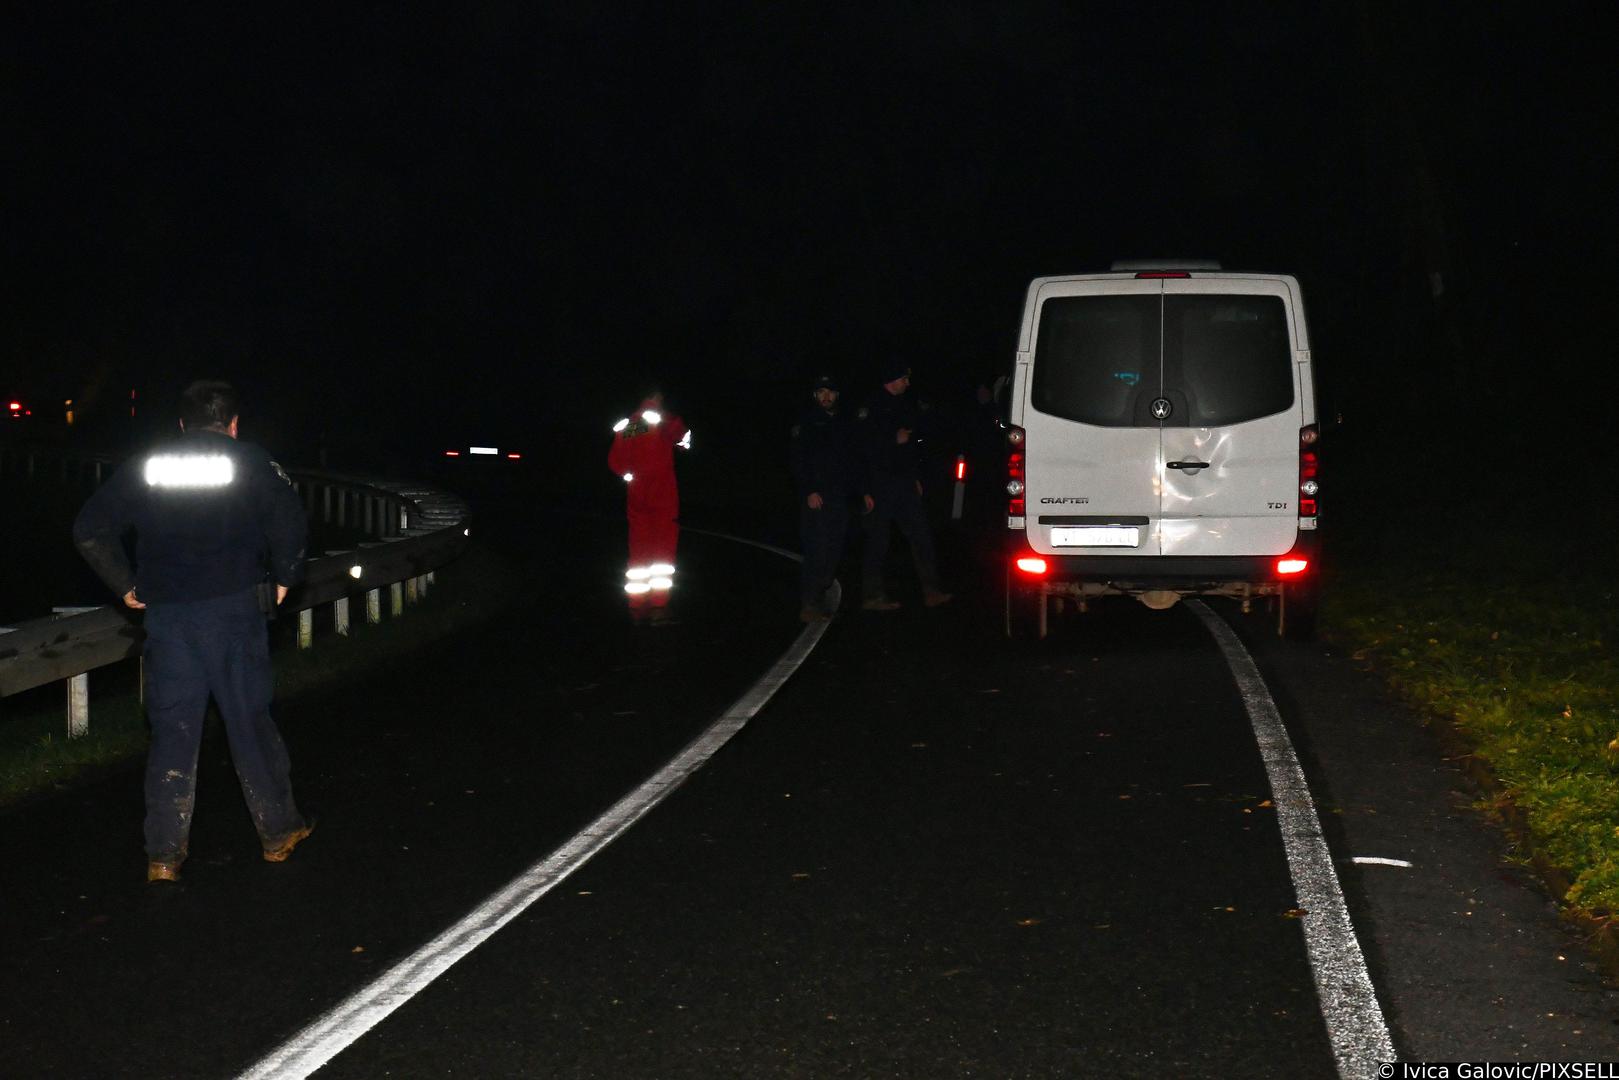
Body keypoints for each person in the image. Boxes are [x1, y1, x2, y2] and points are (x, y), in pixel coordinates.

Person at [72, 380, 313, 883]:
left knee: (173, 732)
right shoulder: (250, 461)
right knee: (249, 723)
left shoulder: (149, 464)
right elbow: (290, 521)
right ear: (233, 424)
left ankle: (163, 855)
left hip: (169, 618)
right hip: (234, 614)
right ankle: (278, 833)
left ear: (181, 424)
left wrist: (125, 585)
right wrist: (286, 578)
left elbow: (90, 528)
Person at [859, 363, 952, 611]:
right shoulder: (871, 407)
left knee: (921, 535)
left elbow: (911, 446)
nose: (907, 384)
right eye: (903, 379)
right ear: (892, 379)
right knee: (878, 541)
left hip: (904, 484)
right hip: (880, 485)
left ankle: (931, 590)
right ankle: (872, 596)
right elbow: (863, 448)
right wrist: (892, 440)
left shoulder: (905, 405)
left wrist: (915, 478)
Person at [789, 373, 872, 622]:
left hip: (840, 497)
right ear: (815, 395)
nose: (826, 396)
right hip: (817, 497)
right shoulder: (806, 423)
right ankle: (809, 604)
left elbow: (853, 461)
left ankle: (820, 591)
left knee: (834, 549)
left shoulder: (844, 423)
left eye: (830, 392)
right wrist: (809, 491)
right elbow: (798, 461)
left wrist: (863, 492)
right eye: (821, 392)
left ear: (836, 395)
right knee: (817, 549)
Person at [607, 389, 689, 624]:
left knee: (638, 551)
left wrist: (632, 476)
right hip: (663, 495)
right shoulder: (666, 421)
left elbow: (615, 462)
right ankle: (658, 607)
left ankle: (636, 607)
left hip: (637, 496)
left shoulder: (629, 425)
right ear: (658, 397)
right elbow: (684, 443)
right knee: (662, 552)